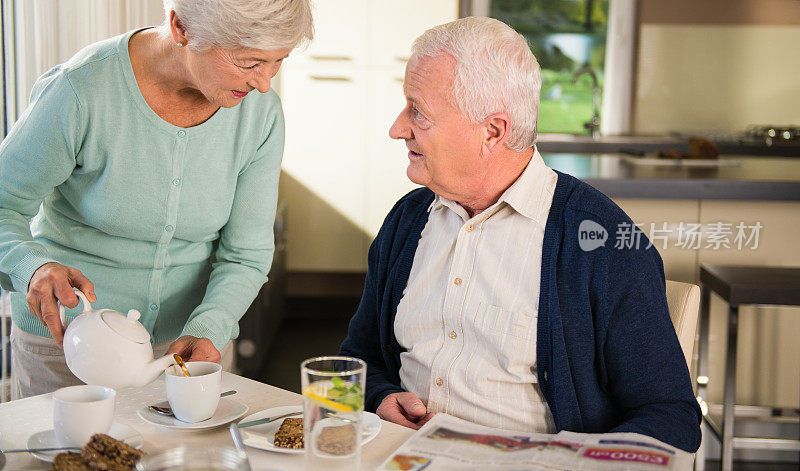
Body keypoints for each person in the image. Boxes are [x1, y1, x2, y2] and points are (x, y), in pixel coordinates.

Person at [339, 17, 701, 452]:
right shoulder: (406, 220)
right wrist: (380, 397)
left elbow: (671, 415)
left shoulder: (602, 241)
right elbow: (358, 361)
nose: (398, 128)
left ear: (493, 131)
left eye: (418, 111)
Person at [0, 0, 313, 397]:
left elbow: (246, 255)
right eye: (249, 63)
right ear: (181, 28)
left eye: (277, 62)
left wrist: (209, 327)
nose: (265, 83)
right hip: (70, 346)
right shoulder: (82, 89)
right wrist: (31, 266)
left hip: (188, 352)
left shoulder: (260, 114)